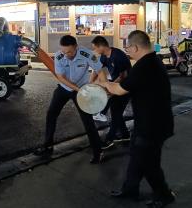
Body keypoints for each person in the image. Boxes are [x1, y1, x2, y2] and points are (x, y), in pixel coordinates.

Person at [101, 30, 175, 208]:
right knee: (136, 157)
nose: (127, 51)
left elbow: (119, 90)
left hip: (152, 126)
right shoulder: (153, 61)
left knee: (149, 163)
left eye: (127, 48)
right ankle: (130, 190)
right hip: (151, 122)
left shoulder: (144, 67)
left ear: (135, 47)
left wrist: (102, 83)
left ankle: (164, 195)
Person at [34, 35, 106, 163]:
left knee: (87, 120)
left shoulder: (87, 54)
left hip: (81, 89)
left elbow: (100, 70)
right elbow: (60, 77)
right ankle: (48, 146)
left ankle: (98, 151)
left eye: (70, 52)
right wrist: (78, 89)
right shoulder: (59, 56)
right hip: (64, 88)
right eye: (64, 51)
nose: (67, 54)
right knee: (51, 114)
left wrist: (104, 85)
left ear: (76, 47)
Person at [90, 36, 131, 149]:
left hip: (126, 86)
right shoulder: (104, 56)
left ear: (101, 46)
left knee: (116, 112)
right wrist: (89, 84)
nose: (94, 51)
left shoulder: (118, 56)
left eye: (95, 48)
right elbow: (97, 69)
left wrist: (110, 87)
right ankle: (125, 135)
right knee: (115, 111)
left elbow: (123, 76)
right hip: (116, 84)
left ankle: (109, 139)